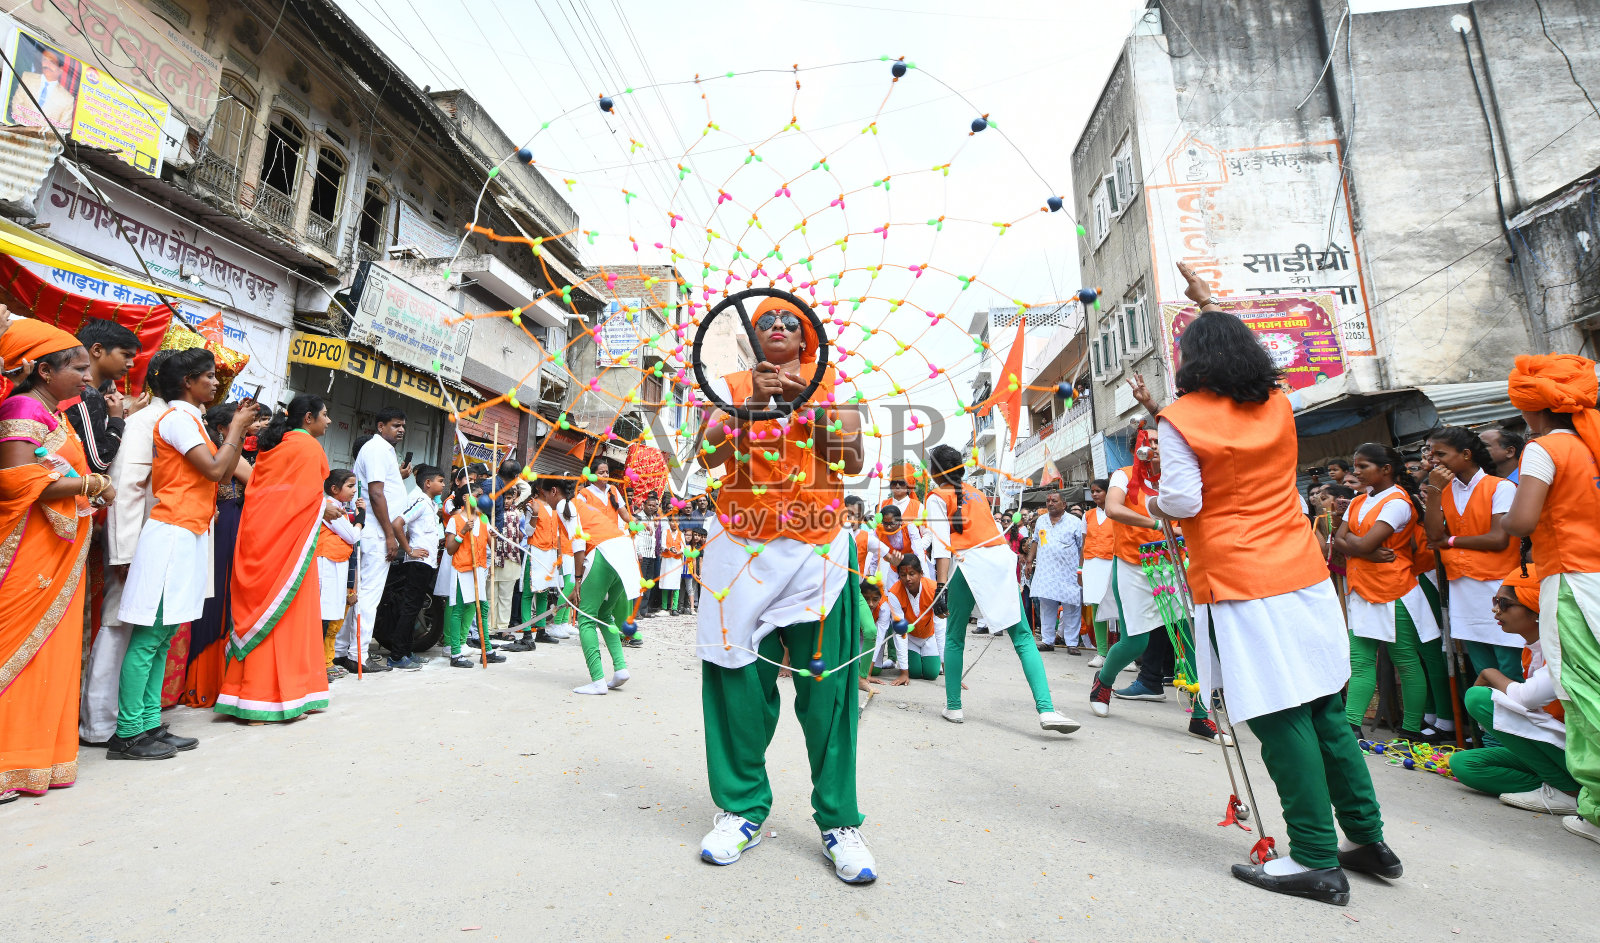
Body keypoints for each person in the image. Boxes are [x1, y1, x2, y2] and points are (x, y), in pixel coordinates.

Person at [1152, 265, 1395, 905]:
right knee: (1323, 708)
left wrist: (1156, 505)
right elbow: (1266, 353)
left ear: (1188, 361)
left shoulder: (1180, 418)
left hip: (1239, 579)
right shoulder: (1278, 402)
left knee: (1277, 712)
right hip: (1302, 572)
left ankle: (1315, 855)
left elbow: (1180, 500)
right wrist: (1213, 303)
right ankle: (1366, 839)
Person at [694, 295, 875, 883]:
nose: (775, 326)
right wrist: (748, 404)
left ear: (807, 339)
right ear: (753, 335)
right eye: (766, 319)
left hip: (816, 551)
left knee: (828, 695)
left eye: (788, 321)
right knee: (737, 686)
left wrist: (798, 403)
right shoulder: (731, 386)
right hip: (739, 552)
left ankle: (839, 823)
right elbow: (707, 455)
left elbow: (851, 459)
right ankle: (740, 811)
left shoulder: (830, 389)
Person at [113, 349, 253, 757]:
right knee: (150, 636)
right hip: (171, 534)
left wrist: (233, 436)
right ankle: (127, 733)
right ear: (186, 382)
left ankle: (149, 723)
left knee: (166, 634)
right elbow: (214, 470)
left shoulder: (191, 419)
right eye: (207, 376)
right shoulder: (176, 418)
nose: (215, 382)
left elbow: (225, 470)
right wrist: (236, 429)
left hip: (188, 533)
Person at [0, 325, 107, 804]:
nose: (88, 377)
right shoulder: (23, 408)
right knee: (15, 648)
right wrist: (90, 486)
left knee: (49, 653)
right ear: (44, 370)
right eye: (79, 367)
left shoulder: (54, 415)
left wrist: (89, 486)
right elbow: (14, 480)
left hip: (56, 550)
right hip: (28, 552)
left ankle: (32, 759)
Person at [1501, 353, 1600, 847]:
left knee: (1583, 692)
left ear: (1529, 406)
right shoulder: (1594, 443)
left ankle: (1598, 809)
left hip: (1572, 583)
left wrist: (1498, 522)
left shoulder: (1545, 449)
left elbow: (1519, 522)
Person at [922, 444, 1079, 735]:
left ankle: (954, 706)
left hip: (966, 565)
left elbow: (942, 546)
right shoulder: (978, 494)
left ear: (935, 472)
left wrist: (940, 586)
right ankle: (1046, 710)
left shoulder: (936, 497)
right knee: (1022, 637)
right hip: (998, 562)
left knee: (955, 637)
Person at [1090, 430, 1226, 744]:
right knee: (1135, 643)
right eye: (1147, 441)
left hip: (1172, 564)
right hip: (1131, 564)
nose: (1153, 446)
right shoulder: (1123, 476)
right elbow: (1112, 509)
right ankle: (1104, 682)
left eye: (1158, 441)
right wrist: (1157, 524)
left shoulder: (1175, 479)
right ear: (1137, 449)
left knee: (1190, 634)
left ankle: (1201, 715)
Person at [213, 395, 330, 722]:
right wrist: (326, 508)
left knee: (262, 610)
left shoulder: (272, 448)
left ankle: (243, 695)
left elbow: (265, 491)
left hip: (260, 536)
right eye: (325, 415)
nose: (329, 421)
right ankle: (270, 701)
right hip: (288, 544)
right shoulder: (308, 449)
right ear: (308, 418)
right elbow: (306, 498)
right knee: (283, 616)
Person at [80, 350, 172, 746]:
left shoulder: (172, 419)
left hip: (161, 543)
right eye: (205, 374)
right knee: (119, 627)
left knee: (148, 633)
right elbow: (126, 491)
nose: (215, 383)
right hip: (137, 546)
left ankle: (137, 720)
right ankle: (100, 725)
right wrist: (123, 553)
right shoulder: (144, 422)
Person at [1333, 442, 1442, 742]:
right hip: (1361, 589)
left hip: (1394, 590)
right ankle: (1351, 726)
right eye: (1355, 465)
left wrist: (1357, 547)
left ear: (1386, 469)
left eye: (1363, 466)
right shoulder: (1358, 501)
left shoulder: (1398, 502)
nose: (1356, 471)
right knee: (1362, 660)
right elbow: (1338, 541)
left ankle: (1410, 729)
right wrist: (1364, 552)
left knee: (1405, 660)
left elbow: (1355, 542)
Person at [1452, 562, 1580, 815]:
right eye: (1495, 601)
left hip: (1577, 752)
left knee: (1478, 698)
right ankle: (1557, 786)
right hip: (1555, 747)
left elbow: (1526, 697)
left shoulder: (1563, 648)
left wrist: (1490, 674)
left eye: (1505, 603)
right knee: (1464, 764)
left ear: (1536, 609)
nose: (1495, 609)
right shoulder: (1531, 648)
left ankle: (1571, 792)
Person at [1422, 426, 1522, 679]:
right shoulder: (1442, 488)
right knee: (1482, 667)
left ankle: (1517, 717)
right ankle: (1489, 718)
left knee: (1509, 662)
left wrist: (1451, 541)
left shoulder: (1500, 487)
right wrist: (1433, 492)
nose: (1434, 460)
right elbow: (1434, 536)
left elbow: (1498, 539)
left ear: (1466, 454)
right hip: (1462, 588)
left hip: (1498, 585)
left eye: (1441, 454)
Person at [179, 403, 254, 709]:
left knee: (222, 598)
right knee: (217, 598)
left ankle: (211, 680)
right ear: (225, 428)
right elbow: (256, 480)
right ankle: (205, 681)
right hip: (225, 528)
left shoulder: (221, 451)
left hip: (229, 524)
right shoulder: (225, 453)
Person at [340, 409, 412, 674]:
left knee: (362, 594)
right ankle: (358, 655)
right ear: (380, 426)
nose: (401, 429)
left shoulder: (384, 451)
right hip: (376, 532)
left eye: (403, 425)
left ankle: (343, 651)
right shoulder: (376, 449)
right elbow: (376, 493)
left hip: (377, 531)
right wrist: (390, 535)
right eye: (395, 425)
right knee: (368, 596)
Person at [569, 454, 639, 694]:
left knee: (586, 618)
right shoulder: (584, 495)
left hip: (603, 551)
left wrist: (577, 581)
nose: (605, 475)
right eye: (600, 471)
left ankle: (598, 680)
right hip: (620, 550)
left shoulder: (577, 503)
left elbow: (578, 543)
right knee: (604, 614)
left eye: (607, 471)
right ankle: (620, 669)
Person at [374, 465, 446, 666]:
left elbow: (409, 529)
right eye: (440, 480)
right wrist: (409, 549)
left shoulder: (431, 505)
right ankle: (397, 656)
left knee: (414, 610)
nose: (443, 485)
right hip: (417, 564)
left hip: (426, 564)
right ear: (428, 483)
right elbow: (398, 523)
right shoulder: (421, 502)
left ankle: (406, 651)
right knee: (408, 609)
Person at [64, 318, 140, 475]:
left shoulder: (68, 387)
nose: (131, 363)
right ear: (97, 350)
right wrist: (117, 420)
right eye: (126, 355)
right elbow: (99, 462)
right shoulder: (88, 394)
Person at [438, 476, 496, 669]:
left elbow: (490, 545)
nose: (482, 499)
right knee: (458, 610)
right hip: (462, 570)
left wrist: (493, 536)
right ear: (466, 498)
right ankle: (455, 653)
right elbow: (450, 549)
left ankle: (487, 650)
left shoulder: (482, 519)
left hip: (478, 569)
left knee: (483, 608)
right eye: (478, 496)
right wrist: (463, 531)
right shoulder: (455, 520)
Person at [508, 478, 566, 650]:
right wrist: (533, 514)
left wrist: (560, 554)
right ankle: (527, 633)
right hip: (536, 552)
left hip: (550, 554)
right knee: (528, 593)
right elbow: (528, 531)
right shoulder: (532, 505)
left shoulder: (554, 507)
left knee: (544, 593)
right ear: (541, 489)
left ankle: (541, 630)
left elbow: (557, 534)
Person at [1025, 490, 1085, 653]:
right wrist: (1029, 562)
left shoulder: (1074, 522)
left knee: (1071, 607)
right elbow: (1036, 541)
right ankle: (1047, 641)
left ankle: (1072, 643)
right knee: (1046, 606)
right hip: (1046, 571)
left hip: (1069, 573)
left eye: (1054, 501)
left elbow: (1082, 547)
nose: (1050, 503)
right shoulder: (1041, 521)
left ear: (1064, 504)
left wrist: (1081, 569)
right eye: (1048, 501)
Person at [316, 469, 360, 683]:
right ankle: (319, 665)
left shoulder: (340, 507)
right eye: (350, 486)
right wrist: (360, 523)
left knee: (330, 617)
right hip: (327, 564)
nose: (354, 491)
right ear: (335, 489)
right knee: (323, 617)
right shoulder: (330, 508)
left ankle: (324, 663)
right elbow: (351, 535)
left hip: (336, 563)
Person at [883, 556, 943, 681]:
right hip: (910, 638)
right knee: (914, 673)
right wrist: (904, 672)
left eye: (912, 574)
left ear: (921, 573)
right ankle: (911, 662)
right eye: (903, 575)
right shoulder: (894, 593)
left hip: (929, 636)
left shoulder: (933, 589)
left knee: (931, 674)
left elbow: (940, 627)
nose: (907, 579)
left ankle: (931, 660)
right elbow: (900, 632)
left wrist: (945, 663)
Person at [1081, 478, 1120, 669]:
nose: (1095, 494)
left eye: (1099, 491)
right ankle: (1102, 653)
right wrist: (1080, 569)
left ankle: (1122, 654)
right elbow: (1083, 541)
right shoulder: (1087, 515)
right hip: (1092, 564)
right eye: (1093, 491)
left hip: (1113, 562)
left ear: (1108, 492)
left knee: (1119, 608)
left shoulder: (1118, 512)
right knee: (1096, 606)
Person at [634, 492, 662, 625]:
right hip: (642, 555)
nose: (652, 507)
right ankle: (636, 610)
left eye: (654, 505)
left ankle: (644, 609)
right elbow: (636, 537)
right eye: (649, 505)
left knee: (649, 582)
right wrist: (638, 553)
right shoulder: (638, 517)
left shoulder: (654, 518)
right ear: (644, 505)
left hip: (651, 554)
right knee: (640, 583)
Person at [659, 516, 686, 613]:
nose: (674, 524)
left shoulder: (681, 534)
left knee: (675, 584)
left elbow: (683, 547)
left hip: (676, 561)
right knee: (665, 582)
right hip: (667, 560)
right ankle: (664, 607)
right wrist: (670, 549)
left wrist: (679, 552)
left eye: (677, 522)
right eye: (672, 522)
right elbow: (663, 545)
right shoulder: (665, 532)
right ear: (669, 522)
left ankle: (674, 608)